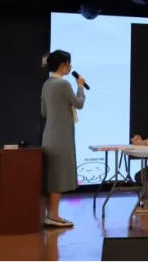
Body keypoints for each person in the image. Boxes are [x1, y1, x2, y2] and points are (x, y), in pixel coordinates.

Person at [41, 50, 86, 227]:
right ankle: (53, 216)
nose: (70, 66)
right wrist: (80, 86)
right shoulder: (63, 84)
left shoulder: (46, 84)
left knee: (52, 176)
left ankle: (51, 214)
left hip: (49, 135)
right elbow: (79, 104)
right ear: (62, 65)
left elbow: (43, 112)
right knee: (58, 177)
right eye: (68, 63)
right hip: (61, 136)